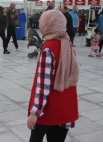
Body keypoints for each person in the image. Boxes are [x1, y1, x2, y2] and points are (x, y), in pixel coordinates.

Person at [27, 10, 79, 142]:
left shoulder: (48, 49)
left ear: (47, 25)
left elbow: (44, 85)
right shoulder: (68, 45)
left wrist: (35, 112)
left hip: (47, 111)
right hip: (65, 108)